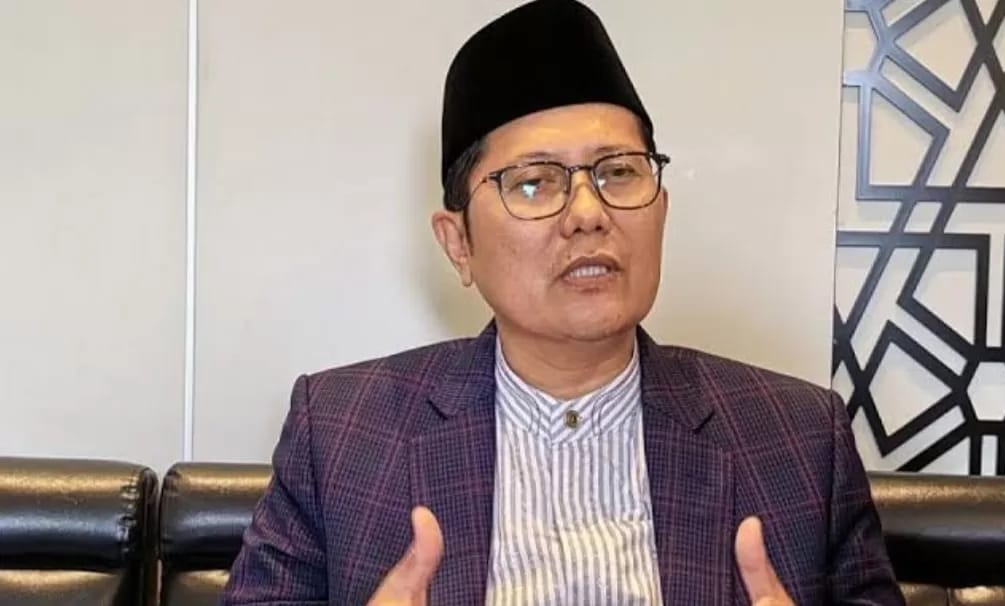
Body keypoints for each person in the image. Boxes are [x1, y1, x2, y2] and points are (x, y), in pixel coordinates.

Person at [221, 1, 905, 604]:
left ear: (661, 209)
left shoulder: (798, 441)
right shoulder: (340, 435)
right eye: (534, 183)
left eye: (619, 173)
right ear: (458, 242)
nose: (587, 213)